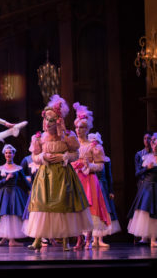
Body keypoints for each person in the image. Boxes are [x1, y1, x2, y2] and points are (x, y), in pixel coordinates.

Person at [22, 95, 93, 252]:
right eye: (46, 120)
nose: (48, 123)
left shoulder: (67, 137)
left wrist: (64, 156)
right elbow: (34, 156)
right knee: (42, 205)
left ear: (59, 121)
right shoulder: (39, 138)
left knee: (63, 205)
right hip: (45, 175)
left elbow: (76, 153)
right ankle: (38, 239)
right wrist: (42, 157)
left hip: (62, 174)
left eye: (52, 120)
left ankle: (66, 240)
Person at [71, 103, 111, 249]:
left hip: (88, 179)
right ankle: (78, 239)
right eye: (76, 127)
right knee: (76, 208)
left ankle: (88, 238)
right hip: (76, 178)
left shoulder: (93, 146)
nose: (78, 130)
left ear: (87, 129)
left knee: (89, 208)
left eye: (81, 127)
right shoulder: (73, 145)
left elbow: (101, 165)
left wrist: (89, 165)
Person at [0, 144, 30, 247]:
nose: (8, 154)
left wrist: (33, 187)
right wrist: (5, 179)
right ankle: (3, 239)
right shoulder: (0, 168)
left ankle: (12, 240)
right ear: (4, 154)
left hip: (15, 193)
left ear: (13, 154)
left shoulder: (18, 168)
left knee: (13, 214)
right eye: (6, 153)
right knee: (4, 215)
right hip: (4, 193)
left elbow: (24, 181)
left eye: (10, 152)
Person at [127, 133, 157, 248]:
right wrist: (146, 168)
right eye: (153, 143)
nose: (154, 146)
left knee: (154, 213)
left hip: (155, 186)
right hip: (147, 188)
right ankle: (145, 237)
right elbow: (137, 173)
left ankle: (153, 238)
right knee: (146, 212)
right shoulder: (146, 157)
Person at [89, 133, 121, 239]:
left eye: (96, 143)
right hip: (91, 187)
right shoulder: (88, 161)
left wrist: (111, 191)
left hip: (102, 187)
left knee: (103, 211)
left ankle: (101, 238)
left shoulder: (105, 160)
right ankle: (92, 239)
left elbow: (109, 175)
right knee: (92, 212)